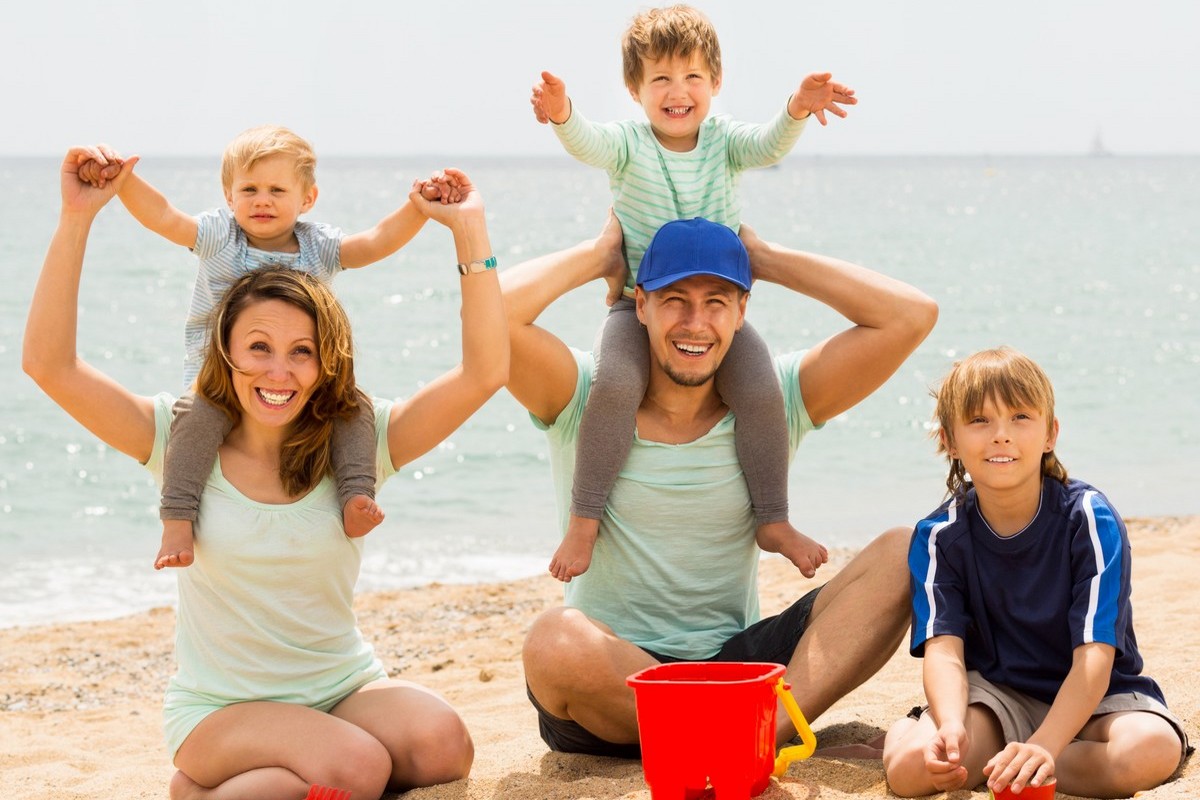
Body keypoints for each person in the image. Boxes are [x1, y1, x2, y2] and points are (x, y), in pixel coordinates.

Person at [25, 147, 506, 799]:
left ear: (325, 361)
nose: (279, 373)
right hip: (222, 711)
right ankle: (219, 781)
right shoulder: (175, 438)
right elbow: (50, 367)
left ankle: (261, 781)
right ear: (225, 348)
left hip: (341, 691)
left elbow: (484, 375)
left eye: (301, 352)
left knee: (442, 745)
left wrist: (468, 229)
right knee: (357, 768)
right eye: (259, 348)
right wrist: (76, 218)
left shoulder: (357, 443)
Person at [503, 213, 938, 756]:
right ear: (640, 305)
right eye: (674, 300)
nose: (695, 323)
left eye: (716, 301)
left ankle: (750, 738)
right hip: (619, 688)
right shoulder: (585, 395)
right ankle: (741, 737)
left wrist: (770, 260)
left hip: (740, 670)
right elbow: (490, 317)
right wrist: (599, 257)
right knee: (556, 640)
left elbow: (911, 316)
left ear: (741, 312)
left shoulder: (772, 400)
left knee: (903, 550)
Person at [529, 4, 857, 582]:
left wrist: (796, 109)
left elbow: (767, 147)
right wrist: (563, 115)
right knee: (615, 386)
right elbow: (588, 145)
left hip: (713, 311)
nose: (677, 92)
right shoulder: (629, 143)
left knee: (759, 390)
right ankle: (584, 519)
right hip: (637, 306)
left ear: (715, 83)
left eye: (692, 78)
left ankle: (773, 518)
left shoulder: (724, 141)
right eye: (660, 79)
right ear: (634, 89)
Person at [79, 126, 447, 571]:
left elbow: (374, 242)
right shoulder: (219, 238)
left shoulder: (318, 247)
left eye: (277, 189)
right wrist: (124, 181)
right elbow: (165, 216)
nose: (262, 200)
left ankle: (355, 496)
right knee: (193, 421)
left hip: (297, 379)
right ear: (229, 196)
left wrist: (417, 209)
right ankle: (177, 518)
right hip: (218, 377)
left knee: (354, 409)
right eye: (249, 189)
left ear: (307, 198)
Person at [881, 347, 1191, 798]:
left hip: (1098, 700)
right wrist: (950, 723)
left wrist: (1046, 746)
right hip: (998, 696)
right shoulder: (938, 535)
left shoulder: (1088, 517)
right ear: (949, 440)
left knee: (1150, 750)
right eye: (979, 420)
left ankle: (1017, 761)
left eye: (1021, 417)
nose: (1001, 435)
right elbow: (945, 651)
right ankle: (924, 732)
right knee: (912, 772)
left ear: (1051, 433)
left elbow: (1095, 657)